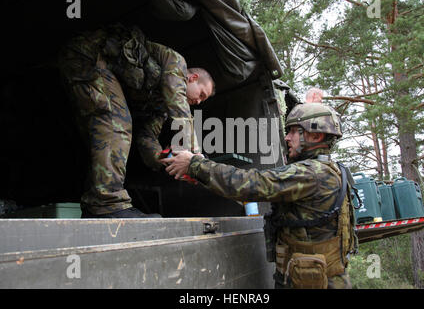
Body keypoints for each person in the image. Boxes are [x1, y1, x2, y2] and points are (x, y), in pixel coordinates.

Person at [161, 102, 358, 289]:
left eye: (293, 131)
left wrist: (196, 165)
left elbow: (251, 184)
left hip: (312, 281)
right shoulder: (332, 171)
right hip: (318, 277)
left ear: (315, 136)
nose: (287, 138)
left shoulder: (311, 174)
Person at [59, 23, 215, 218]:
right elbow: (178, 103)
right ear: (192, 78)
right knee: (117, 123)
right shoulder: (176, 63)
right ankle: (108, 204)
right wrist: (196, 156)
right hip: (88, 56)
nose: (199, 101)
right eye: (201, 94)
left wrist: (170, 162)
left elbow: (146, 138)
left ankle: (95, 206)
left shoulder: (160, 108)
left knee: (101, 142)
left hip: (92, 71)